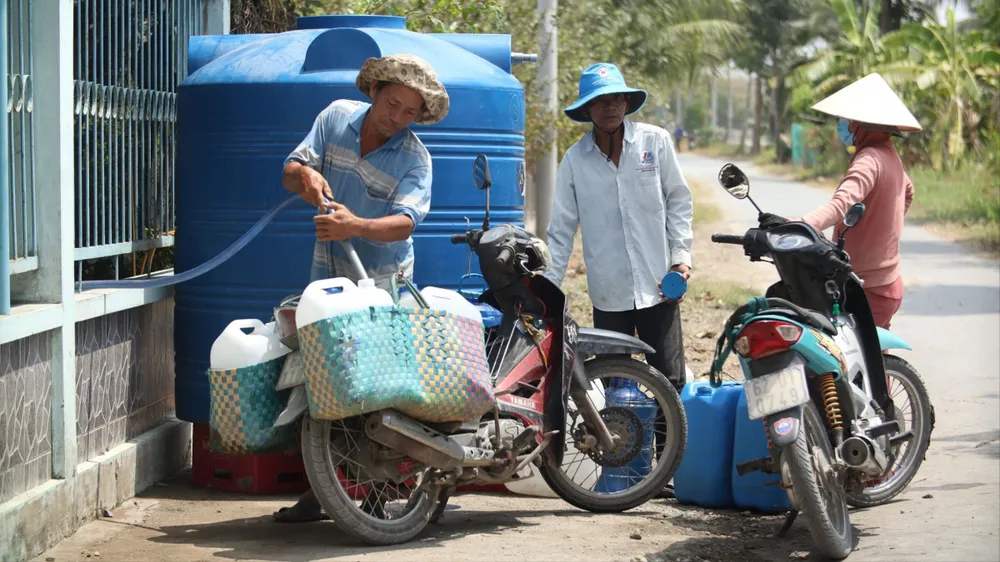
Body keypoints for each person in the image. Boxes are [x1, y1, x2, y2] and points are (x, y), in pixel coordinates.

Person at [274, 53, 449, 523]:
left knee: (376, 394)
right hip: (326, 286)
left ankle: (376, 496)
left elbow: (404, 224)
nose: (397, 118)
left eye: (410, 112)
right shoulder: (333, 120)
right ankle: (319, 493)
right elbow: (292, 170)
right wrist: (305, 175)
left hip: (382, 290)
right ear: (373, 92)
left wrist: (356, 225)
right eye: (392, 104)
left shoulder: (415, 157)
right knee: (320, 385)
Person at [545, 63, 694, 394]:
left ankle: (671, 446)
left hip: (658, 287)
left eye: (616, 99)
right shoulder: (574, 161)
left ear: (627, 103)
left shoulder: (655, 143)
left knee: (670, 381)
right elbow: (561, 231)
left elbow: (679, 202)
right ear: (587, 110)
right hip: (609, 293)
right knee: (615, 383)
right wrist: (548, 289)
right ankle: (625, 447)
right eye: (600, 101)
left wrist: (680, 259)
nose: (609, 106)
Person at [790, 73, 921, 329]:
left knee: (850, 359)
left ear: (860, 124)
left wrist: (803, 224)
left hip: (868, 288)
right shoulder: (889, 154)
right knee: (873, 362)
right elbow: (909, 192)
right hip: (886, 281)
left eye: (847, 120)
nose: (843, 125)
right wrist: (882, 229)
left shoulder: (869, 160)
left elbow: (842, 204)